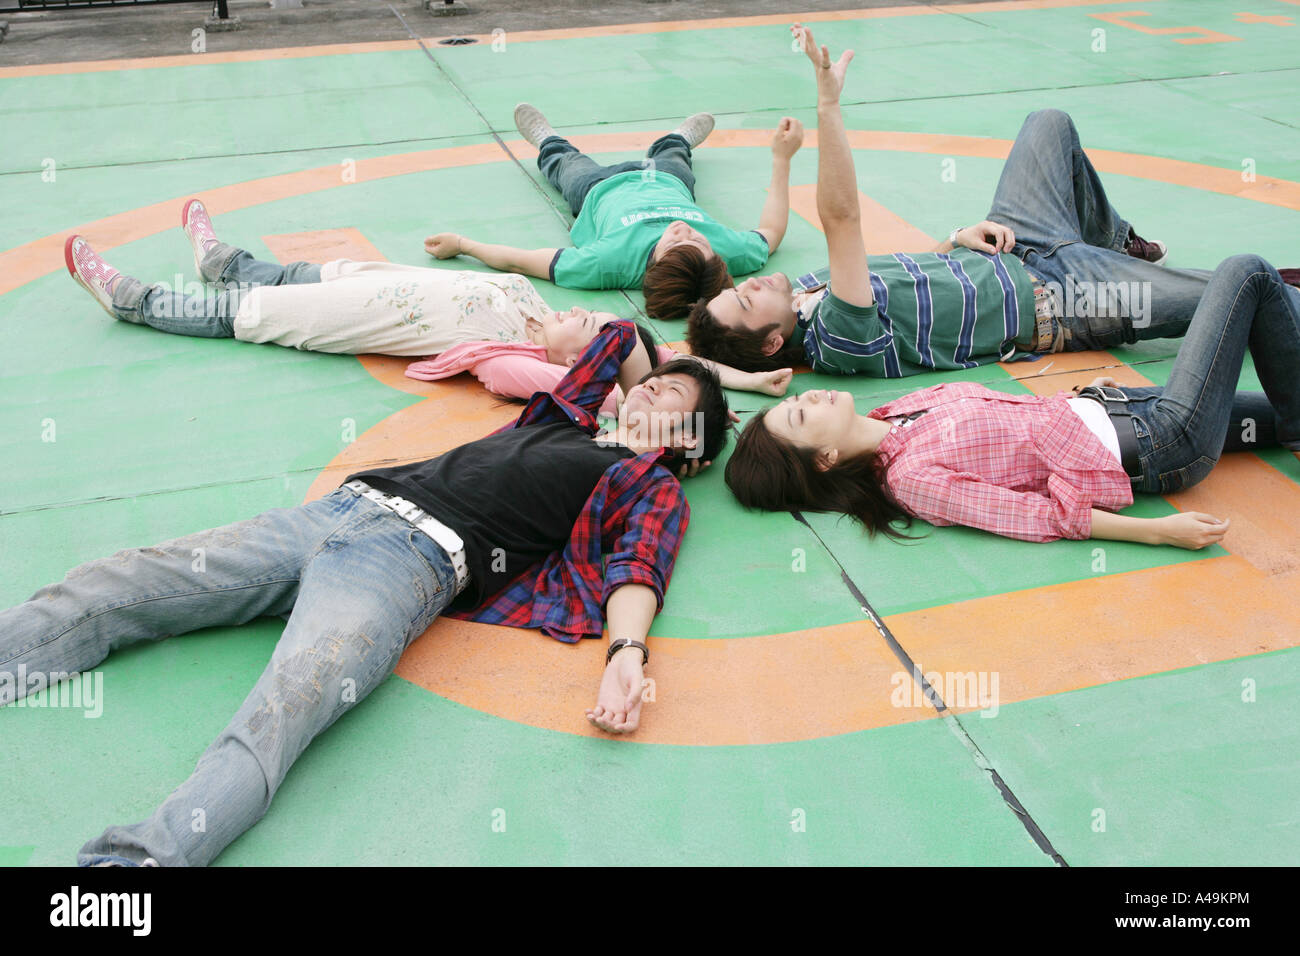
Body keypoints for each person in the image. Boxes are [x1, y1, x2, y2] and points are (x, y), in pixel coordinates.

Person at [0, 319, 730, 866]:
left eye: (674, 397)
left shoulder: (650, 484)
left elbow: (640, 565)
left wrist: (626, 654)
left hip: (410, 565)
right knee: (118, 581)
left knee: (284, 711)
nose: (654, 387)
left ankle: (130, 870)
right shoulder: (562, 417)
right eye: (654, 382)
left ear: (689, 443)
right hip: (336, 513)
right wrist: (663, 376)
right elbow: (622, 337)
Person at [686, 26, 1300, 377]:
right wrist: (828, 107)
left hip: (1017, 241)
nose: (753, 283)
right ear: (772, 343)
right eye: (745, 298)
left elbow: (905, 280)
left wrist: (954, 239)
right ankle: (1116, 261)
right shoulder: (837, 338)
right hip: (1067, 300)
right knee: (1245, 287)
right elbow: (841, 217)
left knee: (1048, 122)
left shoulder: (807, 291)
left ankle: (1113, 239)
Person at [725, 249, 1300, 550]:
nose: (810, 396)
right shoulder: (911, 480)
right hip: (1161, 441)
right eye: (801, 414)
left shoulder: (895, 412)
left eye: (795, 401)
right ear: (822, 459)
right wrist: (1157, 532)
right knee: (1245, 274)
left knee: (1278, 400)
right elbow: (1030, 515)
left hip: (1129, 404)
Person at [65, 200, 791, 413]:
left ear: (581, 368)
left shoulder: (517, 357)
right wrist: (750, 381)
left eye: (596, 332)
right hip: (394, 280)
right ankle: (220, 259)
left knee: (256, 313)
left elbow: (574, 388)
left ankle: (136, 300)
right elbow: (675, 360)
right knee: (300, 273)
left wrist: (589, 383)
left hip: (378, 317)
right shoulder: (536, 308)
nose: (592, 318)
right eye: (602, 322)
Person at [424, 104, 804, 319]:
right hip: (666, 180)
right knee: (673, 156)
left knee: (566, 165)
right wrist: (781, 160)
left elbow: (523, 262)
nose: (683, 230)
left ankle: (548, 140)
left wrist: (463, 244)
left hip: (596, 189)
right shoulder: (725, 256)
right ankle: (678, 140)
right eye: (697, 239)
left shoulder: (609, 262)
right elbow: (770, 233)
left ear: (651, 264)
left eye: (676, 243)